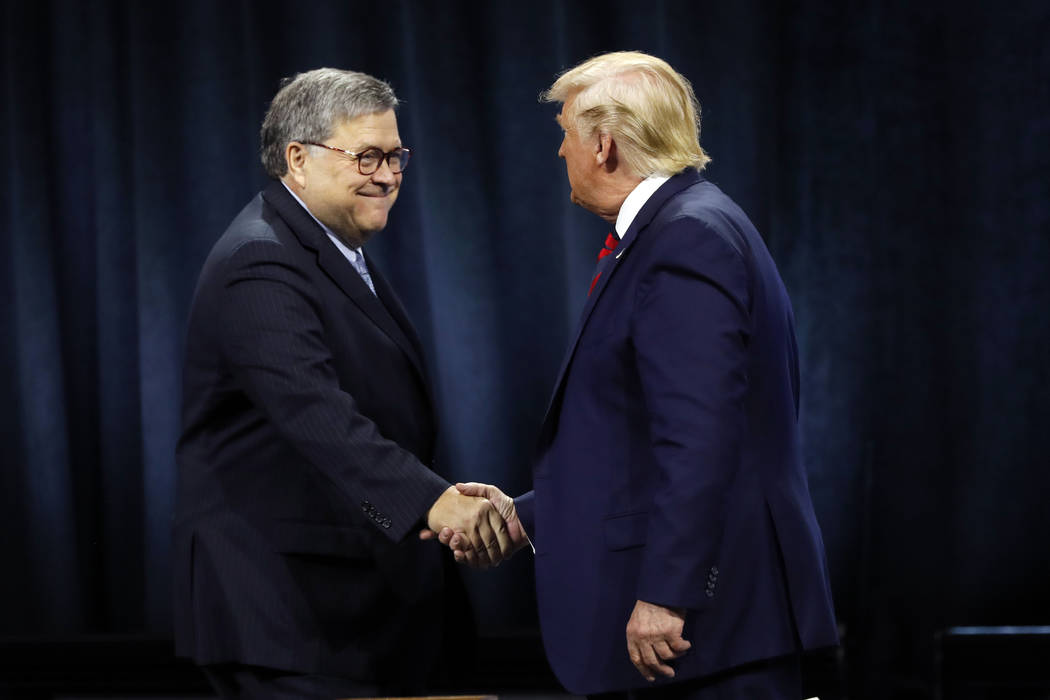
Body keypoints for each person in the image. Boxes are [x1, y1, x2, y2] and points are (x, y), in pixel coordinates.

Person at [441, 52, 839, 699]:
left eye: (565, 133)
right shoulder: (682, 227)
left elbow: (701, 438)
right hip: (713, 633)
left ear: (602, 146)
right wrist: (526, 518)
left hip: (708, 636)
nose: (560, 152)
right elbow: (639, 440)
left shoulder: (685, 239)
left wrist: (669, 593)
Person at [173, 67, 515, 700]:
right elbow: (316, 414)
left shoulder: (331, 250)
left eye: (395, 156)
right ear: (297, 159)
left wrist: (437, 498)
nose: (387, 175)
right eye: (367, 156)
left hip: (354, 615)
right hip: (288, 617)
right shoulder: (261, 258)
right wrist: (434, 502)